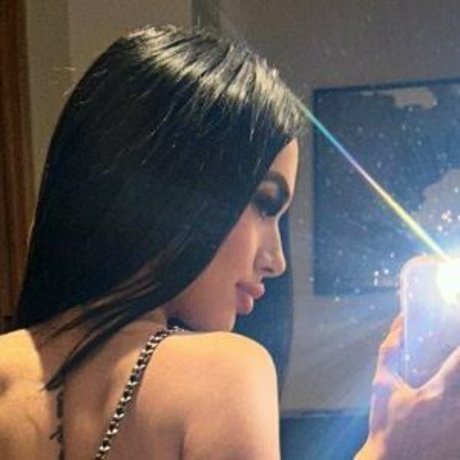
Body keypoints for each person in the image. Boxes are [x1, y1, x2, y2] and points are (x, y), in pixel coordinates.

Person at [0, 24, 460, 460]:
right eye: (264, 205)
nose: (276, 261)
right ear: (173, 184)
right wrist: (394, 450)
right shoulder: (223, 373)